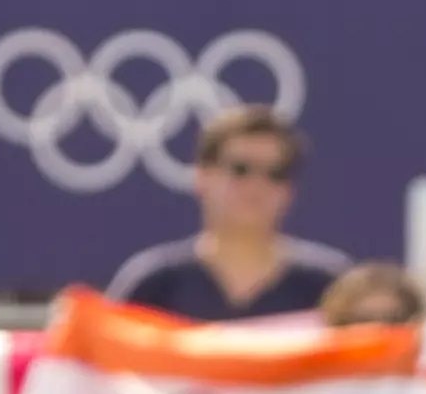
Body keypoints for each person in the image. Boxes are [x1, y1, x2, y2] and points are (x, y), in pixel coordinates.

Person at [108, 99, 349, 318]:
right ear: (203, 177)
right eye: (240, 169)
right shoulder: (154, 285)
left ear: (289, 191)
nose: (257, 186)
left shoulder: (329, 288)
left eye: (276, 173)